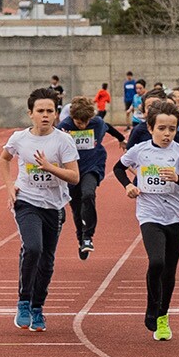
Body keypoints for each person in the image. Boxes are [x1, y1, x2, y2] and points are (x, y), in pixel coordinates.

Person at [113, 99, 179, 340]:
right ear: (151, 128)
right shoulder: (140, 151)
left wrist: (177, 179)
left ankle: (163, 316)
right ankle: (152, 307)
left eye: (172, 129)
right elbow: (118, 168)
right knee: (156, 262)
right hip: (149, 214)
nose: (167, 134)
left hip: (174, 216)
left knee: (170, 271)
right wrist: (128, 186)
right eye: (162, 128)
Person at [2, 89, 81, 332]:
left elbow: (75, 177)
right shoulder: (19, 139)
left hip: (54, 206)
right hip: (27, 201)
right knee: (33, 247)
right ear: (30, 114)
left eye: (50, 111)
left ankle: (38, 307)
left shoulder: (63, 140)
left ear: (56, 114)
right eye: (40, 111)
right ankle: (24, 301)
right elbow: (4, 158)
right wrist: (9, 186)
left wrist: (49, 167)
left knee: (47, 261)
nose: (45, 115)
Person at [61, 94, 127, 260]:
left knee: (88, 194)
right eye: (79, 123)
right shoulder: (64, 127)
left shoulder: (97, 122)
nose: (83, 126)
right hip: (72, 170)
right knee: (76, 208)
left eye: (86, 122)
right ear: (72, 118)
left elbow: (108, 127)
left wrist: (121, 138)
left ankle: (88, 235)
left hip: (92, 166)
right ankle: (81, 239)